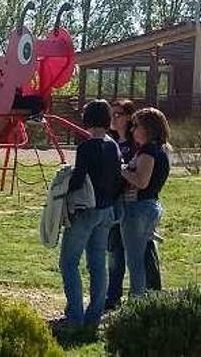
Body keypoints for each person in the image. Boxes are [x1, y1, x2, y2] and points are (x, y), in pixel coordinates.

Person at [60, 99, 121, 329]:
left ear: (88, 119)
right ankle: (94, 316)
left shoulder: (86, 147)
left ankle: (75, 315)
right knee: (97, 263)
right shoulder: (113, 145)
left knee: (69, 262)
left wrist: (62, 189)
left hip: (86, 210)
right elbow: (117, 179)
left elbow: (78, 180)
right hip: (106, 210)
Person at [105, 100, 161, 310]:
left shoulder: (138, 145)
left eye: (118, 114)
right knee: (114, 252)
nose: (114, 118)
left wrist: (123, 172)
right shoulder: (111, 142)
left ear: (129, 117)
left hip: (134, 205)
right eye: (112, 114)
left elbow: (141, 177)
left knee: (139, 255)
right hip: (115, 203)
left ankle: (146, 298)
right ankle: (113, 295)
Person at [120, 107, 170, 298]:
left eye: (136, 126)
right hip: (148, 207)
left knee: (135, 261)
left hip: (138, 208)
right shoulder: (160, 149)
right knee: (141, 257)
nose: (132, 131)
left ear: (148, 128)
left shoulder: (148, 150)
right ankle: (146, 298)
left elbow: (141, 181)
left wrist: (121, 169)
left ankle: (137, 301)